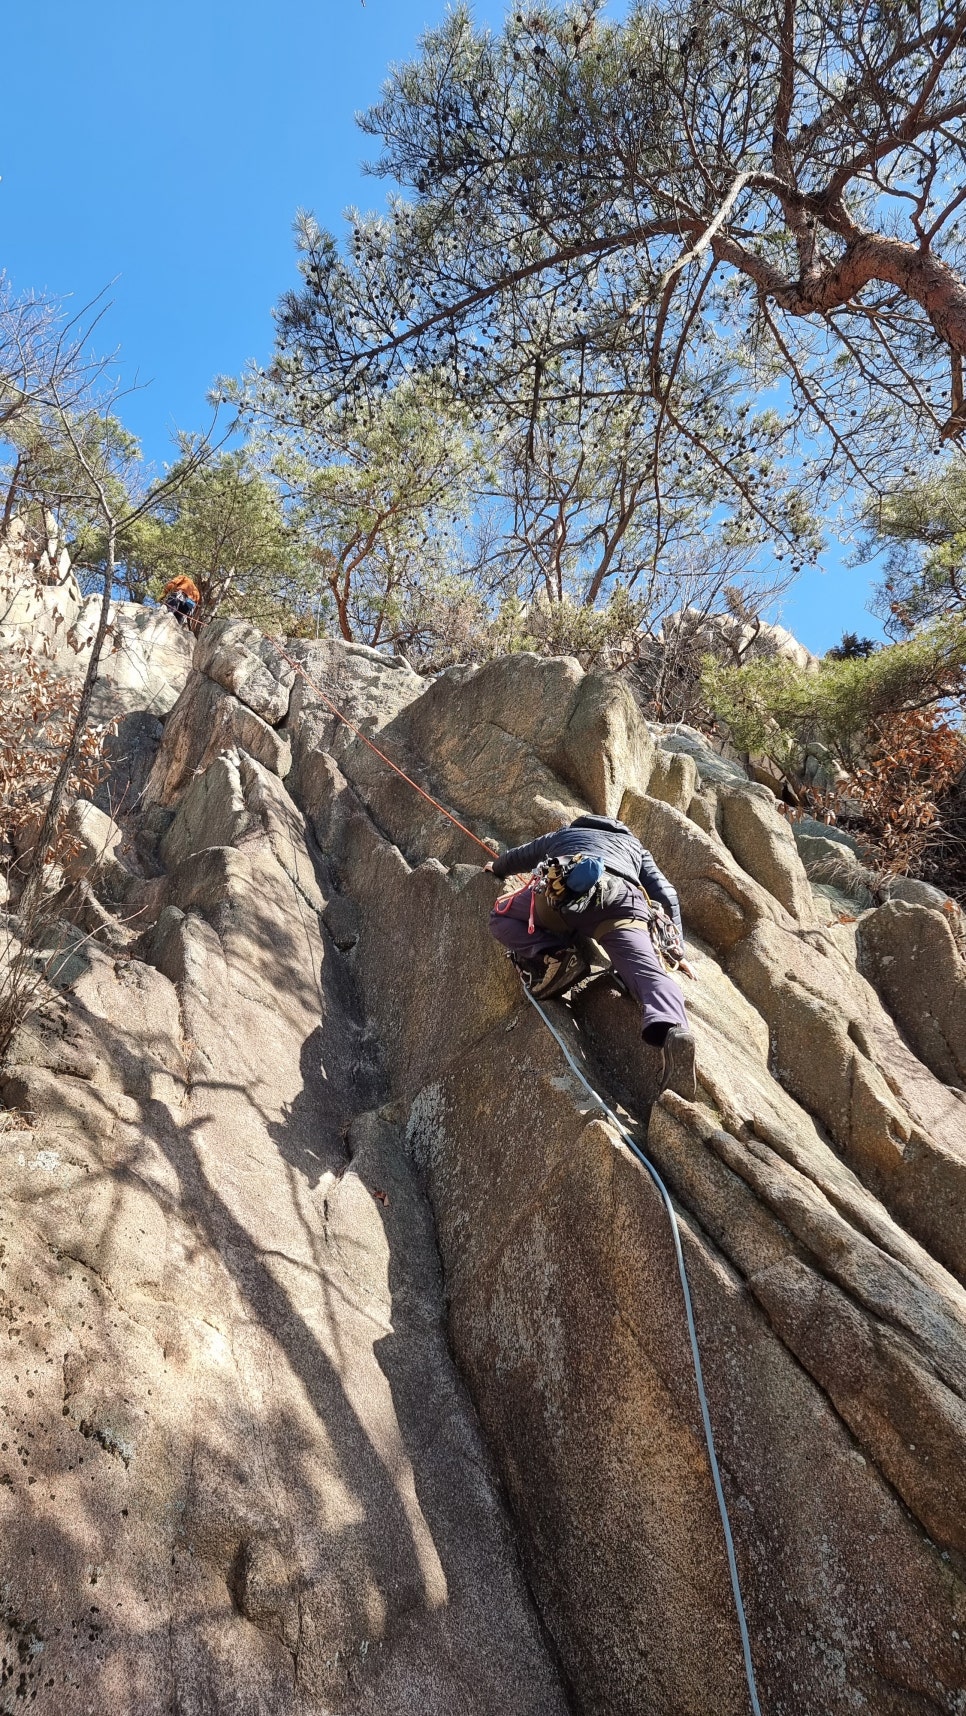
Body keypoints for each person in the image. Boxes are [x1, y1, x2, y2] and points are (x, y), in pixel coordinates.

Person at [485, 812, 697, 1099]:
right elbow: (666, 893)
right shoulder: (634, 847)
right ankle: (674, 1028)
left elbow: (519, 857)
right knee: (648, 974)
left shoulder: (564, 835)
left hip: (561, 898)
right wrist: (677, 949)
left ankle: (557, 956)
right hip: (621, 902)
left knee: (500, 916)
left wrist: (496, 868)